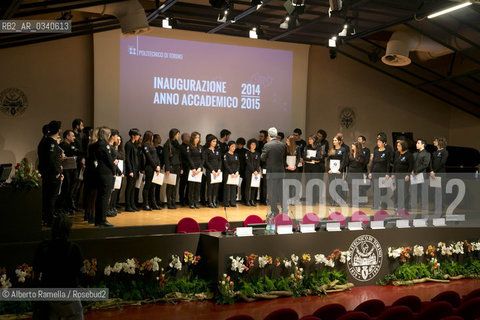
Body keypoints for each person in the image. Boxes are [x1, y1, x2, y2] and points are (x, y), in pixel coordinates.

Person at [33, 215, 85, 320]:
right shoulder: (75, 249)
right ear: (69, 231)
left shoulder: (43, 247)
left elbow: (36, 271)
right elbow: (82, 273)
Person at [38, 121, 64, 227]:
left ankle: (47, 218)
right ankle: (49, 219)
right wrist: (57, 172)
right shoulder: (51, 142)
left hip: (50, 174)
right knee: (51, 198)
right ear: (58, 130)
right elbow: (50, 159)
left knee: (49, 197)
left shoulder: (46, 141)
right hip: (52, 175)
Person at [93, 127, 116, 227]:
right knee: (105, 197)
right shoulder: (104, 145)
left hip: (100, 171)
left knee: (100, 197)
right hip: (106, 172)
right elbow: (109, 159)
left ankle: (98, 219)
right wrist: (114, 169)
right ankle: (102, 219)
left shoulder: (96, 144)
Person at [261, 127, 286, 215]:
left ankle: (274, 211)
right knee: (281, 192)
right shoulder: (282, 145)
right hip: (281, 172)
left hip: (271, 173)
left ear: (268, 135)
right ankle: (284, 209)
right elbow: (284, 158)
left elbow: (262, 158)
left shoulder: (267, 145)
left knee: (272, 193)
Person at [58, 130, 82, 214]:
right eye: (72, 136)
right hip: (65, 170)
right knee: (66, 188)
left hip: (72, 169)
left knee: (72, 189)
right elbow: (76, 151)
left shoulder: (72, 145)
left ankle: (70, 206)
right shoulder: (62, 146)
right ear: (67, 136)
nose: (74, 138)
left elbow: (78, 152)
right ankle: (62, 207)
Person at [369, 136, 392, 210]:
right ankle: (375, 205)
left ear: (384, 143)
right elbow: (373, 163)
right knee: (376, 189)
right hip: (375, 172)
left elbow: (388, 164)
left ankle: (384, 205)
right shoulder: (376, 151)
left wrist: (387, 173)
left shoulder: (387, 152)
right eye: (377, 142)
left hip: (383, 173)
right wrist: (370, 172)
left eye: (379, 142)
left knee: (383, 190)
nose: (378, 143)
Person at [142, 131, 161, 211]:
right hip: (149, 168)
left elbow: (156, 157)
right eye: (152, 136)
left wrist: (159, 166)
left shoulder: (152, 145)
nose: (153, 137)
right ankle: (145, 204)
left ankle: (153, 203)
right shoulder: (145, 146)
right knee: (147, 186)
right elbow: (149, 158)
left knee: (153, 187)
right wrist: (155, 167)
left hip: (155, 168)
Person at [83, 128, 99, 223]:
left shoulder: (89, 145)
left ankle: (88, 214)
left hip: (88, 172)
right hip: (93, 172)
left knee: (89, 195)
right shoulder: (95, 146)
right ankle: (92, 216)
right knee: (94, 195)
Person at [392, 140, 414, 210]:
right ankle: (397, 205)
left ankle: (406, 206)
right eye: (397, 146)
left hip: (405, 176)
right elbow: (394, 164)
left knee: (405, 191)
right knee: (397, 190)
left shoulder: (409, 155)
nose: (397, 147)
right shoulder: (397, 153)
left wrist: (408, 175)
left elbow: (411, 166)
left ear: (403, 146)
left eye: (399, 146)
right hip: (397, 175)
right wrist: (393, 173)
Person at [164, 128, 182, 209]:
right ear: (174, 135)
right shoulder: (167, 144)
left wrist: (181, 167)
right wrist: (167, 169)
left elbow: (180, 156)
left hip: (177, 166)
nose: (178, 136)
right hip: (171, 167)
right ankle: (169, 202)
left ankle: (173, 202)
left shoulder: (177, 144)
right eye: (178, 134)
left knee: (175, 186)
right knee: (170, 186)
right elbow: (166, 158)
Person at [327, 135, 348, 206]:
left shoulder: (343, 149)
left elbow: (344, 161)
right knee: (332, 185)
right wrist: (329, 169)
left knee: (339, 186)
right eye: (333, 140)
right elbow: (328, 160)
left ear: (339, 141)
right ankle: (332, 201)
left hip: (339, 171)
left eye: (335, 140)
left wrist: (340, 169)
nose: (334, 142)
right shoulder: (331, 150)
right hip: (331, 171)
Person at [303, 135, 323, 205]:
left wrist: (310, 157)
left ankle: (314, 200)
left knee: (314, 183)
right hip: (308, 167)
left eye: (310, 139)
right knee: (308, 183)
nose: (309, 141)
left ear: (314, 140)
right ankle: (309, 200)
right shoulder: (307, 147)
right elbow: (304, 157)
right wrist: (312, 158)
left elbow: (318, 158)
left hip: (315, 168)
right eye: (309, 139)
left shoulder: (318, 148)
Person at [124, 128, 141, 212]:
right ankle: (128, 205)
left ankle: (132, 204)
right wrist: (130, 170)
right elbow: (127, 158)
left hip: (135, 169)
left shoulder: (135, 145)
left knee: (133, 188)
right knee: (129, 187)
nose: (138, 136)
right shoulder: (128, 144)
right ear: (132, 136)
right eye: (137, 135)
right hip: (131, 169)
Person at [412, 138, 431, 210]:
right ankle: (414, 205)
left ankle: (423, 206)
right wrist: (412, 170)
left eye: (418, 143)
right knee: (414, 191)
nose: (416, 144)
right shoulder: (415, 154)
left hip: (421, 174)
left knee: (422, 191)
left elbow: (425, 164)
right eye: (416, 143)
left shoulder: (427, 154)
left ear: (423, 145)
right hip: (414, 174)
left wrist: (416, 171)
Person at [430, 137, 449, 211]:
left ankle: (441, 207)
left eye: (435, 141)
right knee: (436, 191)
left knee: (441, 191)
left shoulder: (445, 152)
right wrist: (431, 171)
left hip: (440, 174)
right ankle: (436, 206)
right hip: (433, 174)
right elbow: (431, 162)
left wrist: (434, 171)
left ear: (439, 142)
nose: (433, 142)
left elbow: (442, 163)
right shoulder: (434, 152)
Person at [204, 135, 222, 208]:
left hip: (217, 171)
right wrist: (212, 170)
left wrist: (219, 169)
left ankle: (214, 201)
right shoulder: (206, 151)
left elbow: (220, 160)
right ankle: (210, 202)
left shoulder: (217, 151)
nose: (215, 143)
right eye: (213, 141)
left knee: (216, 187)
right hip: (210, 171)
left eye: (215, 141)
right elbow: (206, 162)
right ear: (210, 142)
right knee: (210, 187)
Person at [187, 132, 204, 209]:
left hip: (199, 169)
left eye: (198, 138)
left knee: (198, 187)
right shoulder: (189, 147)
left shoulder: (200, 147)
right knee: (192, 187)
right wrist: (193, 168)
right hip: (192, 169)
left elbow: (203, 159)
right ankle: (191, 202)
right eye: (196, 137)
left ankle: (196, 202)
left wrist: (200, 168)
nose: (197, 139)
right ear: (193, 138)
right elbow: (189, 158)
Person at [347, 141, 365, 206]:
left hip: (358, 173)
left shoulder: (361, 155)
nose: (352, 146)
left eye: (353, 145)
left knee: (357, 189)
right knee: (351, 189)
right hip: (350, 173)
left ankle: (357, 202)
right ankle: (352, 203)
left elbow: (363, 165)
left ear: (357, 147)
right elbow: (347, 163)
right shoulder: (350, 154)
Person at [223, 141, 240, 207]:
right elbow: (226, 164)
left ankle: (233, 202)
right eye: (232, 146)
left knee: (233, 188)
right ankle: (226, 202)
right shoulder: (226, 155)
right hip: (228, 173)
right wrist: (231, 172)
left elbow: (238, 164)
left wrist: (237, 171)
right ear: (228, 147)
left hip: (235, 174)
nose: (233, 148)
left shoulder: (236, 155)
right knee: (227, 188)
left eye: (234, 146)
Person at [244, 138, 261, 206]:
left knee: (254, 186)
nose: (253, 146)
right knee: (247, 186)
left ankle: (252, 200)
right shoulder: (247, 153)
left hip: (256, 173)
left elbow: (258, 163)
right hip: (248, 171)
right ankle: (247, 200)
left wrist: (256, 171)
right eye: (252, 144)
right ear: (249, 145)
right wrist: (253, 170)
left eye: (254, 144)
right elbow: (248, 163)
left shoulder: (257, 153)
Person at [179, 132, 191, 207]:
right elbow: (180, 158)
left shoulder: (190, 146)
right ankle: (181, 200)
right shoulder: (181, 147)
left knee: (189, 185)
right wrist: (181, 168)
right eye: (188, 136)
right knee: (182, 185)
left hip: (190, 168)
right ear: (183, 138)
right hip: (184, 168)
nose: (189, 137)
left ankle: (187, 199)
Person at [235, 137, 247, 204]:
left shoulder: (246, 151)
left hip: (244, 171)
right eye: (239, 144)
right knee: (235, 185)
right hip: (236, 171)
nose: (240, 146)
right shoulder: (235, 151)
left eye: (241, 144)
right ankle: (234, 197)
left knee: (243, 185)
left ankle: (244, 198)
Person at [153, 134, 164, 207]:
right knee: (152, 187)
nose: (160, 139)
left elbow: (162, 159)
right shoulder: (152, 148)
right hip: (154, 169)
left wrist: (161, 167)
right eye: (159, 138)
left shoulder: (161, 148)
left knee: (158, 186)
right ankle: (152, 201)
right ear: (155, 139)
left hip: (160, 169)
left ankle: (158, 200)